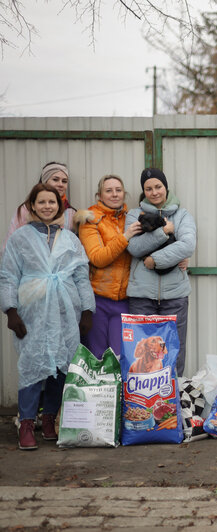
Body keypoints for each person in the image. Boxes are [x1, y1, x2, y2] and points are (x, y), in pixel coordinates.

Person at [0, 183, 95, 450]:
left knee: (61, 367)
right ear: (32, 206)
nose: (46, 206)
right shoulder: (20, 238)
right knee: (32, 366)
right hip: (33, 312)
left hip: (66, 310)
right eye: (41, 202)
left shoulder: (71, 239)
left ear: (60, 206)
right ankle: (27, 423)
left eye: (51, 202)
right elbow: (8, 275)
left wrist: (87, 310)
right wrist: (10, 311)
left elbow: (81, 276)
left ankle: (50, 418)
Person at [125, 168, 196, 377]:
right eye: (148, 188)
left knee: (173, 349)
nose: (154, 192)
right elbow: (134, 248)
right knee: (141, 353)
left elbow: (188, 245)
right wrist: (163, 232)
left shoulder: (182, 215)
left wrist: (154, 260)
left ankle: (172, 398)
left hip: (175, 295)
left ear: (166, 187)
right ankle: (144, 402)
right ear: (143, 191)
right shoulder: (134, 215)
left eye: (158, 187)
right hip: (142, 296)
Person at [77, 175, 143, 358]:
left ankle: (117, 389)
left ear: (124, 194)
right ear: (99, 195)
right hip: (98, 299)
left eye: (118, 190)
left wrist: (177, 259)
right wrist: (125, 237)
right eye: (109, 190)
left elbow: (148, 246)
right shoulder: (90, 219)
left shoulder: (132, 218)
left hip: (124, 300)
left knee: (119, 355)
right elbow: (98, 258)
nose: (114, 194)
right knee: (97, 356)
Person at [4, 162, 77, 248]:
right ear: (44, 181)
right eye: (55, 179)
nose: (60, 184)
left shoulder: (71, 213)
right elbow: (10, 245)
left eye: (64, 181)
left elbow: (75, 246)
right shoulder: (25, 210)